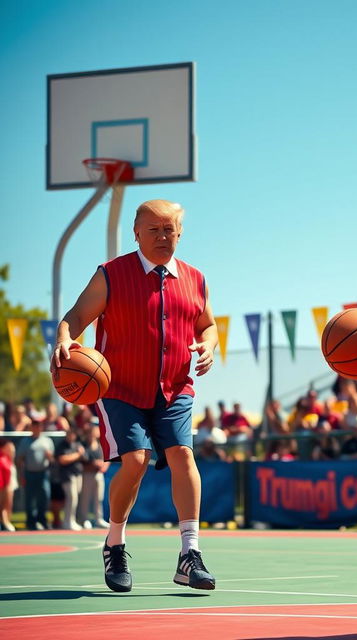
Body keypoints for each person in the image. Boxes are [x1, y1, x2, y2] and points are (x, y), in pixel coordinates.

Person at [51, 199, 218, 593]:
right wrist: (63, 339)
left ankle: (189, 554)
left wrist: (209, 344)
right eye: (154, 229)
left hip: (175, 388)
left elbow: (207, 325)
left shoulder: (195, 278)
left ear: (179, 234)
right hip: (119, 389)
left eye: (170, 230)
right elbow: (74, 318)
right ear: (137, 233)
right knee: (137, 461)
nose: (163, 236)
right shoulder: (110, 274)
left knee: (183, 455)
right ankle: (115, 542)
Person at [15, 415, 55, 530]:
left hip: (43, 473)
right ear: (31, 427)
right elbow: (18, 460)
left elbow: (53, 460)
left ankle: (42, 520)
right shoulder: (25, 441)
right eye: (34, 425)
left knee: (44, 497)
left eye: (38, 425)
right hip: (30, 473)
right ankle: (31, 522)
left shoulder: (47, 441)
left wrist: (49, 456)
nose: (36, 427)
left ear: (41, 427)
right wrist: (21, 471)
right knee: (30, 499)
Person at [55, 427, 86, 530]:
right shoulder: (62, 446)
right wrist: (78, 454)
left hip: (78, 474)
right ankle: (67, 521)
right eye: (69, 433)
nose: (71, 435)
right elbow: (63, 460)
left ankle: (72, 521)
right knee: (71, 498)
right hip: (67, 476)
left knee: (75, 498)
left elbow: (85, 457)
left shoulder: (77, 444)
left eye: (73, 434)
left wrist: (80, 454)